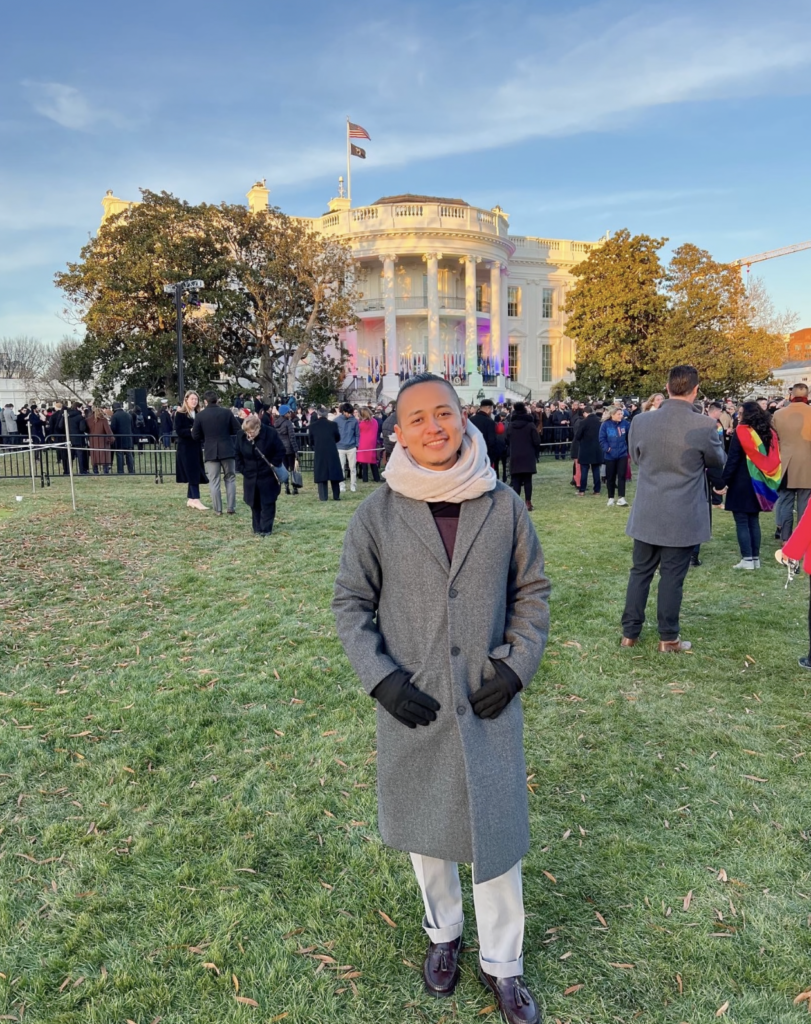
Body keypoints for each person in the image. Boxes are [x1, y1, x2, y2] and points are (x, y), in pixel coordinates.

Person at [333, 373, 550, 1023]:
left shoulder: (503, 504)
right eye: (418, 418)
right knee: (428, 832)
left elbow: (531, 594)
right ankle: (443, 936)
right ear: (397, 432)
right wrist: (381, 678)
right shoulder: (376, 515)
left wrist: (514, 669)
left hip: (486, 701)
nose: (434, 426)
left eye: (444, 414)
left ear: (463, 419)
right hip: (416, 701)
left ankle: (502, 965)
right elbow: (350, 604)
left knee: (495, 836)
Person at [620, 365, 726, 653]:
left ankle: (630, 633)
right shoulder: (704, 425)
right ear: (695, 389)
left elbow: (637, 457)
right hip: (682, 512)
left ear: (667, 388)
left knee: (640, 572)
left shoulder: (641, 421)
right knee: (672, 577)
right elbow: (718, 460)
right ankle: (668, 637)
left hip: (648, 509)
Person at [720, 401, 781, 569]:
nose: (738, 416)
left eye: (740, 413)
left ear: (747, 415)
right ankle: (755, 558)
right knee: (753, 520)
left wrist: (723, 481)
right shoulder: (769, 432)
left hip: (742, 481)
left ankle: (747, 559)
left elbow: (732, 459)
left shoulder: (742, 432)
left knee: (741, 521)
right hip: (760, 482)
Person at [772, 384, 811, 543]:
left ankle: (785, 538)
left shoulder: (778, 414)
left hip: (785, 462)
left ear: (791, 395)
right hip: (807, 464)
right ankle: (802, 539)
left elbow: (774, 439)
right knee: (805, 503)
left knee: (786, 502)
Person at [235, 414, 285, 535]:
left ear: (258, 428)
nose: (249, 435)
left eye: (252, 432)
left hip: (267, 474)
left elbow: (280, 450)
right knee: (254, 502)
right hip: (250, 475)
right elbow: (237, 454)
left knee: (267, 502)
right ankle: (257, 528)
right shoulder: (241, 436)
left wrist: (272, 465)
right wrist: (243, 469)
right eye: (247, 432)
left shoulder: (270, 434)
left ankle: (266, 528)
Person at [192, 391, 240, 516]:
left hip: (210, 450)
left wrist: (206, 437)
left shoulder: (200, 416)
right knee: (230, 478)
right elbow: (237, 429)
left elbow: (195, 435)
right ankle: (231, 507)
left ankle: (218, 509)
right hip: (227, 449)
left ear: (205, 402)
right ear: (217, 400)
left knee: (214, 481)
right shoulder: (227, 413)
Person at [174, 391, 208, 510]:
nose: (194, 401)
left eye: (196, 399)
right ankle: (196, 499)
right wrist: (191, 430)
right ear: (186, 400)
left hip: (196, 447)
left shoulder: (198, 414)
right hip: (186, 448)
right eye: (192, 399)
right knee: (192, 473)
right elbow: (179, 431)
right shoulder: (180, 414)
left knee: (195, 472)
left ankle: (191, 498)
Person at [506, 402, 540, 511]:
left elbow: (507, 439)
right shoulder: (530, 425)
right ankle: (528, 502)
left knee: (516, 481)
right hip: (528, 455)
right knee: (527, 480)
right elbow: (536, 440)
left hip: (515, 455)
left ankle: (516, 504)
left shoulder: (511, 426)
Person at [309, 407, 343, 501]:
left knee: (321, 474)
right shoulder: (333, 425)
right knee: (334, 474)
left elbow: (310, 440)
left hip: (320, 451)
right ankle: (336, 496)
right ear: (327, 415)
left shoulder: (312, 426)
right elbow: (337, 437)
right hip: (331, 450)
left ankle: (323, 496)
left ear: (318, 415)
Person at [598, 406, 629, 507]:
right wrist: (608, 449)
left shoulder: (625, 424)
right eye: (619, 414)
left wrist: (628, 449)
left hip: (622, 454)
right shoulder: (605, 425)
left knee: (621, 476)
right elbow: (602, 438)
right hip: (610, 456)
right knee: (610, 477)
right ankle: (610, 498)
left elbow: (631, 435)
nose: (621, 416)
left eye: (622, 414)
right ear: (612, 415)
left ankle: (621, 497)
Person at [573, 405, 602, 497]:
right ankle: (597, 490)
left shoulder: (583, 422)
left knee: (584, 470)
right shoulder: (600, 421)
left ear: (585, 413)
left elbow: (578, 436)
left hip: (585, 448)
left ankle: (582, 490)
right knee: (596, 470)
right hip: (597, 448)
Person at [274, 404, 300, 495]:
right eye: (289, 412)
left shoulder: (276, 423)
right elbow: (292, 437)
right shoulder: (288, 423)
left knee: (284, 468)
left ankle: (286, 486)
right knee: (292, 468)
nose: (290, 413)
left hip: (281, 448)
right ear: (286, 413)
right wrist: (296, 450)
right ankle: (295, 487)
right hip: (289, 448)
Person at [336, 402, 360, 492]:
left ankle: (353, 485)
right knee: (341, 467)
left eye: (351, 413)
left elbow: (357, 434)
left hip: (351, 447)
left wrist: (356, 445)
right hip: (340, 447)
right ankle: (341, 485)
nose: (349, 415)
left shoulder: (354, 421)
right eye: (348, 413)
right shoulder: (337, 420)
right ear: (344, 411)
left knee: (352, 467)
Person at [470, 399, 498, 466]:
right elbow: (492, 441)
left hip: (472, 454)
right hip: (485, 455)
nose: (492, 411)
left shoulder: (471, 420)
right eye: (491, 409)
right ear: (488, 408)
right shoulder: (490, 422)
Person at [357, 407, 381, 483]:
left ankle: (365, 479)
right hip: (372, 443)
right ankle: (376, 478)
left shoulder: (361, 424)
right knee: (373, 462)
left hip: (363, 443)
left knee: (364, 463)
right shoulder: (375, 422)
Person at [86, 406, 113, 474]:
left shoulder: (88, 420)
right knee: (104, 456)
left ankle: (95, 470)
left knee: (94, 455)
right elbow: (108, 431)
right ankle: (105, 470)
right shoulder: (103, 420)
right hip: (102, 440)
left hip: (92, 440)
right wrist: (111, 439)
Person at [110, 401, 135, 475]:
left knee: (119, 454)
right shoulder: (128, 415)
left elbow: (113, 428)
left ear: (113, 408)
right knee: (129, 454)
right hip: (128, 437)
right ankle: (131, 470)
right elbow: (132, 426)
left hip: (119, 438)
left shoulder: (114, 416)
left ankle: (120, 471)